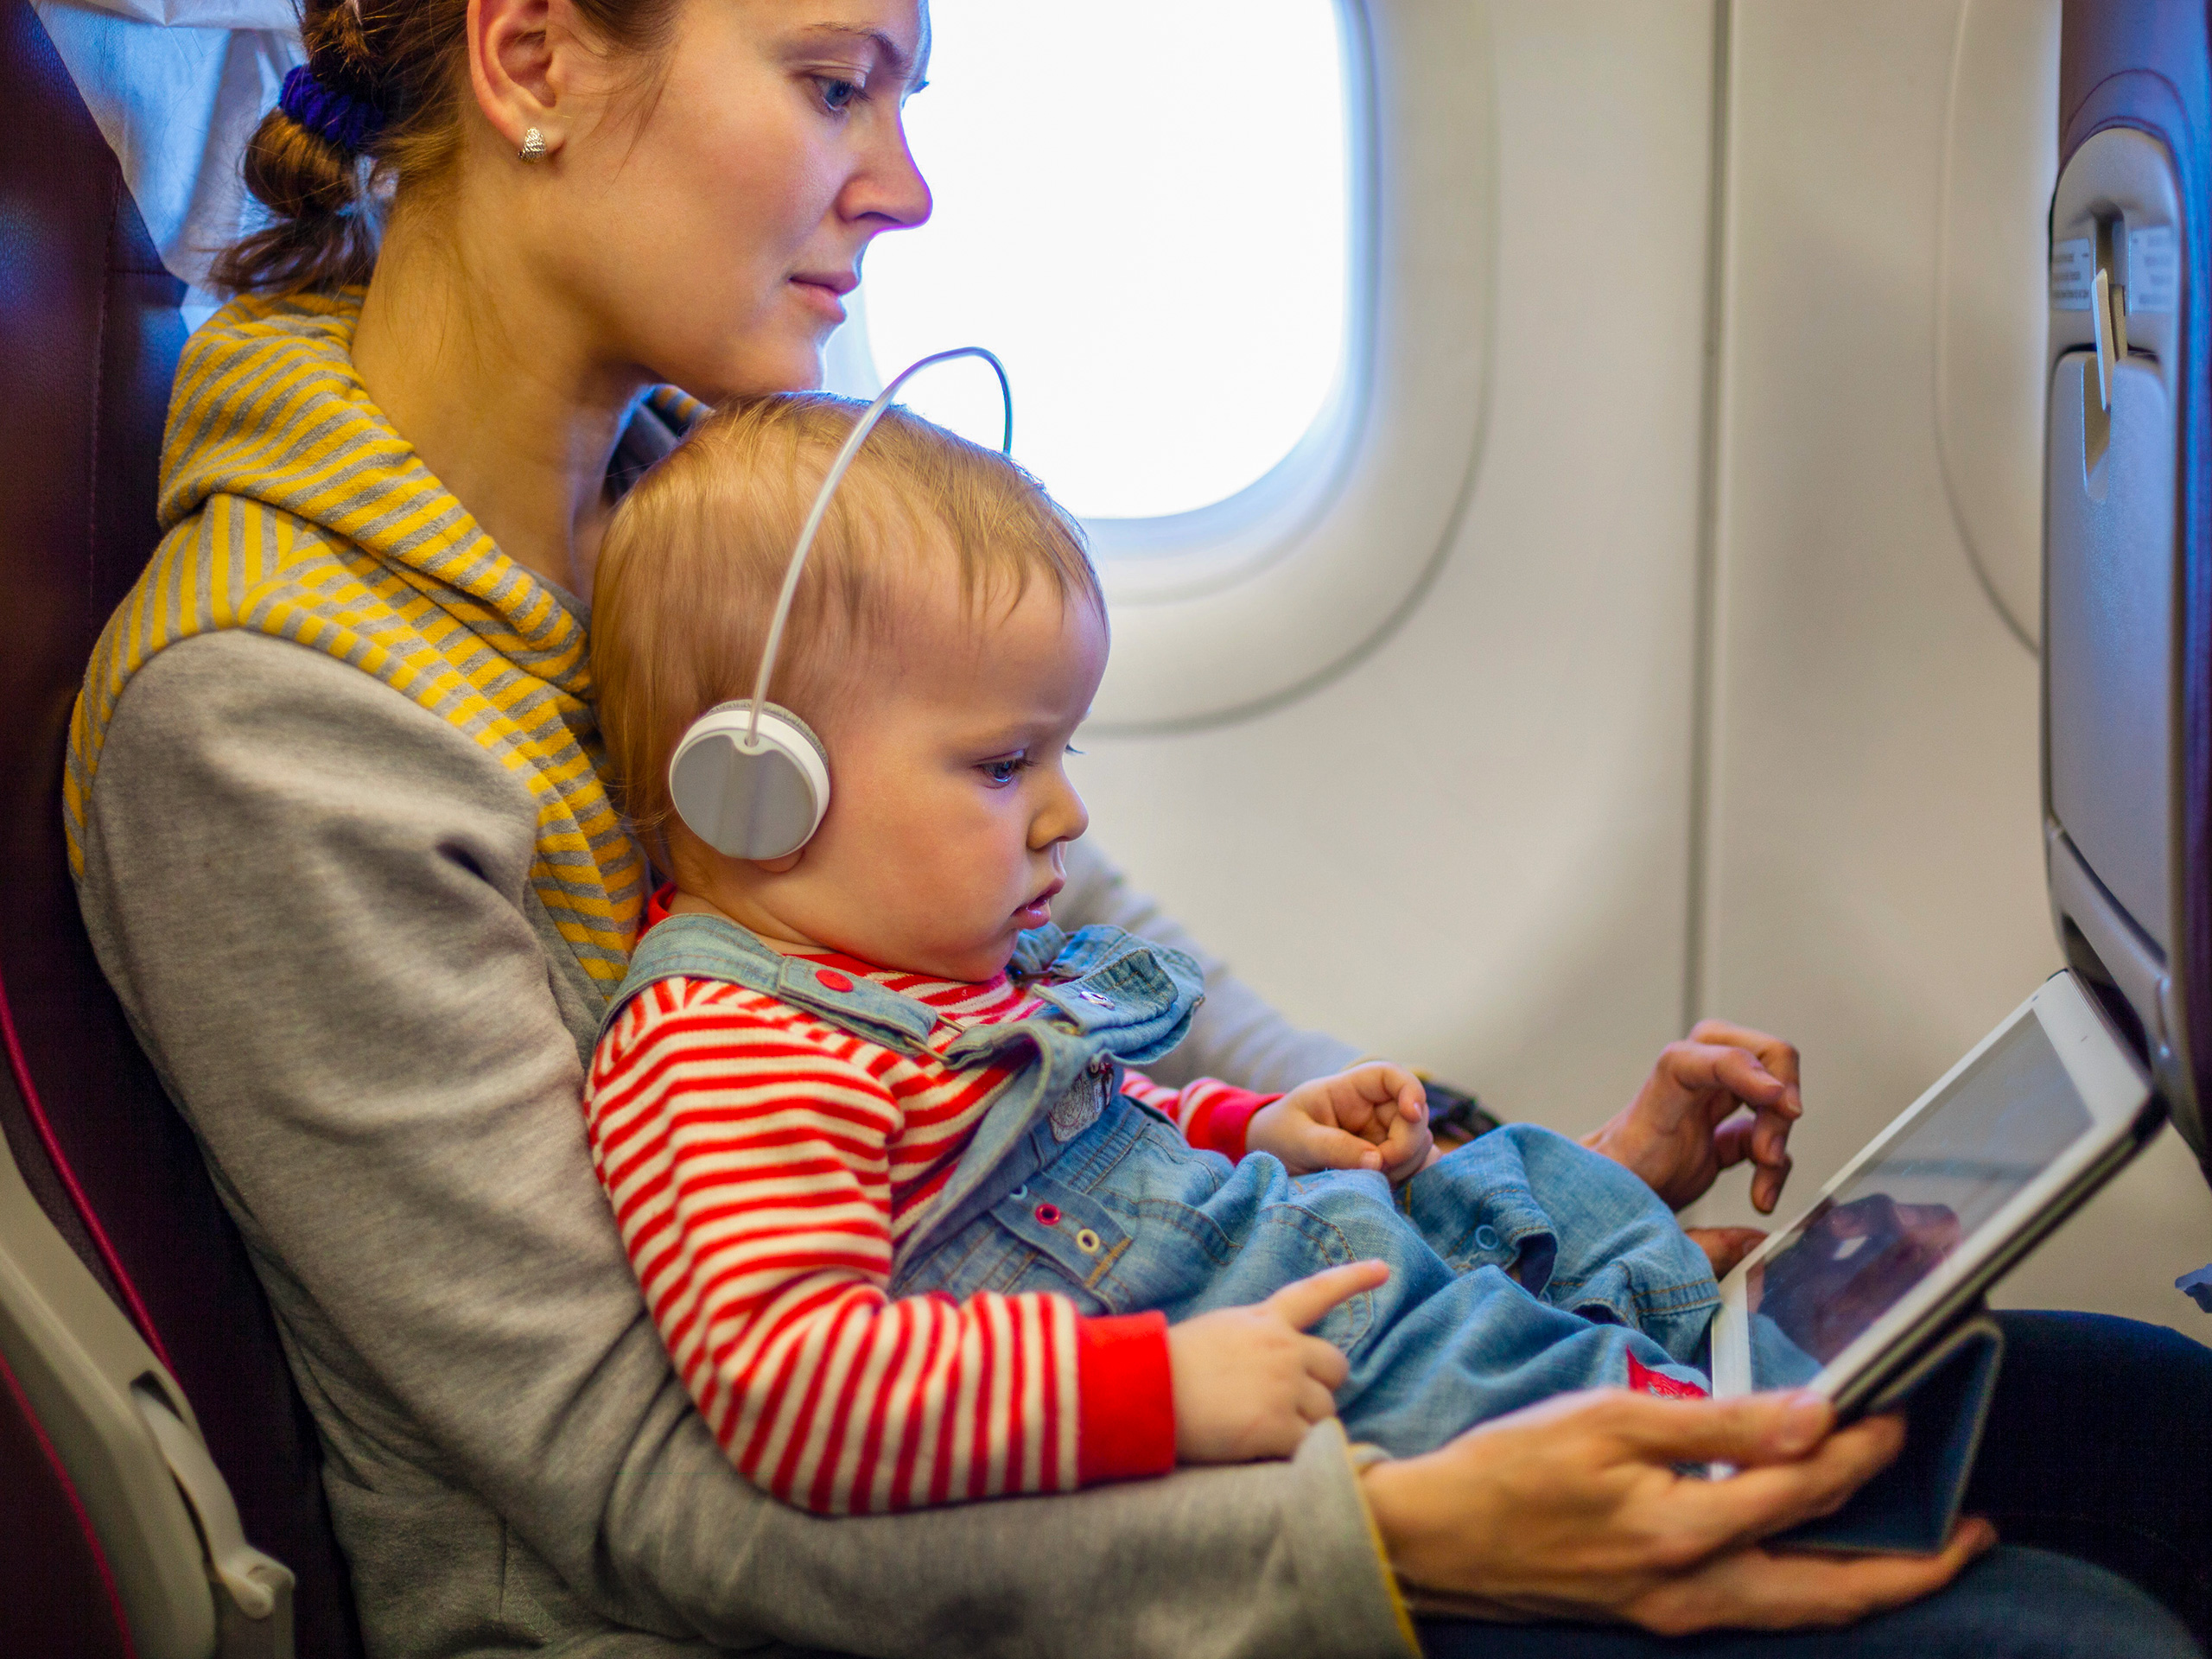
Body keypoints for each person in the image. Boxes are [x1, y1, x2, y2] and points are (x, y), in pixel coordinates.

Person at [62, 0, 2207, 1652]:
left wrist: (1499, 1220)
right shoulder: (270, 724)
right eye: (836, 83)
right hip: (777, 1590)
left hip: (1145, 1414)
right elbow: (636, 1481)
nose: (900, 188)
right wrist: (1388, 1532)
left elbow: (1121, 987)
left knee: (2131, 1423)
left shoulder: (704, 501)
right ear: (530, 53)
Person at [582, 394, 1743, 1513]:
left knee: (1523, 1182)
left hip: (1267, 1247)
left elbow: (1090, 1123)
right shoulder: (724, 1056)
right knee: (1585, 1396)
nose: (1065, 815)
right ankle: (1749, 1421)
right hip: (1247, 1355)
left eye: (1061, 754)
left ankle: (1740, 1345)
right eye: (1002, 767)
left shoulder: (919, 975)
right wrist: (1157, 1394)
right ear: (758, 795)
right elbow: (798, 1389)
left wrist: (1257, 1126)